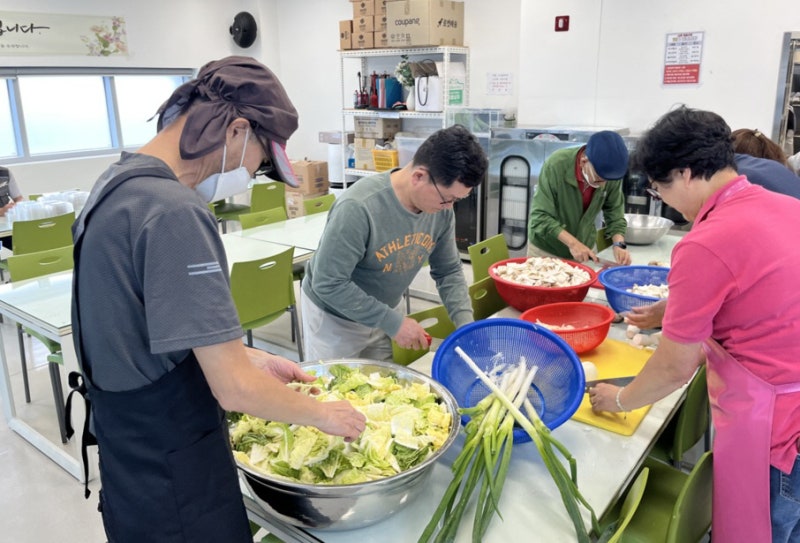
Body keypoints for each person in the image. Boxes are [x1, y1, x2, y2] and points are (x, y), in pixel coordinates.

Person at [69, 56, 366, 543]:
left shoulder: (116, 186)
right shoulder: (174, 212)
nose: (251, 177)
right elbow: (234, 391)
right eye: (260, 162)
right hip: (177, 479)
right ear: (236, 131)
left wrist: (248, 357)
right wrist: (323, 413)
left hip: (130, 465)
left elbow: (143, 331)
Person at [589, 105, 800, 542]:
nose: (661, 198)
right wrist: (675, 309)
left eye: (659, 186)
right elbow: (759, 293)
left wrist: (621, 399)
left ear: (685, 174)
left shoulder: (706, 242)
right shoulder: (783, 206)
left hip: (777, 430)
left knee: (770, 527)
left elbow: (674, 367)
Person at [300, 124, 486, 361]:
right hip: (335, 319)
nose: (450, 208)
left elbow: (448, 271)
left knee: (382, 386)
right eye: (447, 199)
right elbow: (329, 283)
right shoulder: (359, 207)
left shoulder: (441, 211)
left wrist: (465, 326)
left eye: (457, 200)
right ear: (419, 176)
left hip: (383, 310)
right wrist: (393, 322)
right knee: (331, 389)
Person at [527, 130, 632, 265]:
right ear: (584, 162)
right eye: (599, 179)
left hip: (585, 251)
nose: (603, 185)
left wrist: (619, 244)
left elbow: (615, 213)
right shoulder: (556, 165)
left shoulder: (610, 174)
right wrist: (573, 244)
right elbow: (540, 217)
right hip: (546, 251)